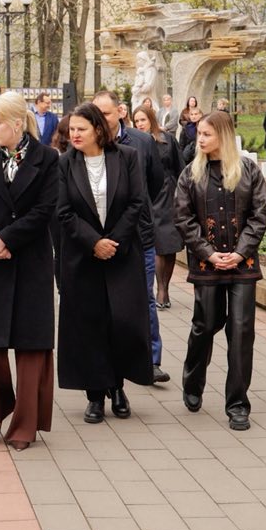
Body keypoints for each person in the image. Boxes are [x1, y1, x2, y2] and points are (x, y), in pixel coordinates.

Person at [0, 91, 61, 449]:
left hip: (29, 260)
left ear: (18, 123)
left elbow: (45, 210)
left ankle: (25, 426)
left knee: (31, 346)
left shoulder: (48, 158)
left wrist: (7, 240)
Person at [55, 102, 154, 424]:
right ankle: (95, 395)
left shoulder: (126, 157)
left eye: (81, 129)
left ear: (98, 129)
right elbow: (64, 211)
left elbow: (137, 201)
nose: (75, 135)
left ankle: (118, 387)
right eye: (71, 130)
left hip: (122, 255)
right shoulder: (65, 164)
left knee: (122, 323)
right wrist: (93, 242)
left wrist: (114, 241)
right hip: (82, 259)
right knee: (90, 326)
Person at [173, 108, 266, 430]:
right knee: (205, 324)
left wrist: (241, 252)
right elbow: (184, 218)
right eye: (198, 134)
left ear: (223, 137)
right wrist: (209, 253)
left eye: (206, 134)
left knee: (242, 331)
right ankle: (192, 380)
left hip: (243, 266)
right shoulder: (190, 174)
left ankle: (238, 404)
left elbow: (260, 213)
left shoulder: (248, 171)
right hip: (207, 264)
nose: (199, 139)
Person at [95, 91, 169, 385]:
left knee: (145, 298)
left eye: (107, 114)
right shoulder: (91, 144)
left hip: (139, 234)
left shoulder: (142, 142)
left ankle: (150, 360)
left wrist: (136, 213)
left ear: (121, 112)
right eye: (96, 114)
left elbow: (155, 182)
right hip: (104, 238)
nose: (102, 120)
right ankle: (110, 362)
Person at [135, 102, 185, 313]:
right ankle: (159, 291)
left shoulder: (168, 140)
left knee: (169, 244)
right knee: (155, 243)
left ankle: (164, 288)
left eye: (143, 120)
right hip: (147, 196)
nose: (139, 124)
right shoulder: (133, 143)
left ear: (151, 120)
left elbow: (179, 167)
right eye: (136, 121)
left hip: (168, 195)